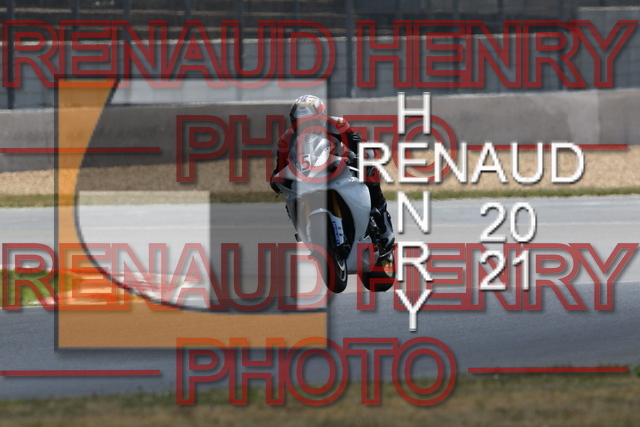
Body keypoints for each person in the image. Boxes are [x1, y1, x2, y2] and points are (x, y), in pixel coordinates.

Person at [270, 94, 395, 253]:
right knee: (289, 194)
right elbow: (281, 167)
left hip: (339, 165)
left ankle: (382, 221)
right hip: (308, 175)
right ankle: (303, 229)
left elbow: (359, 145)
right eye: (299, 123)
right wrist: (276, 179)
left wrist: (362, 157)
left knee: (369, 169)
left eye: (311, 121)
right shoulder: (286, 139)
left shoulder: (337, 124)